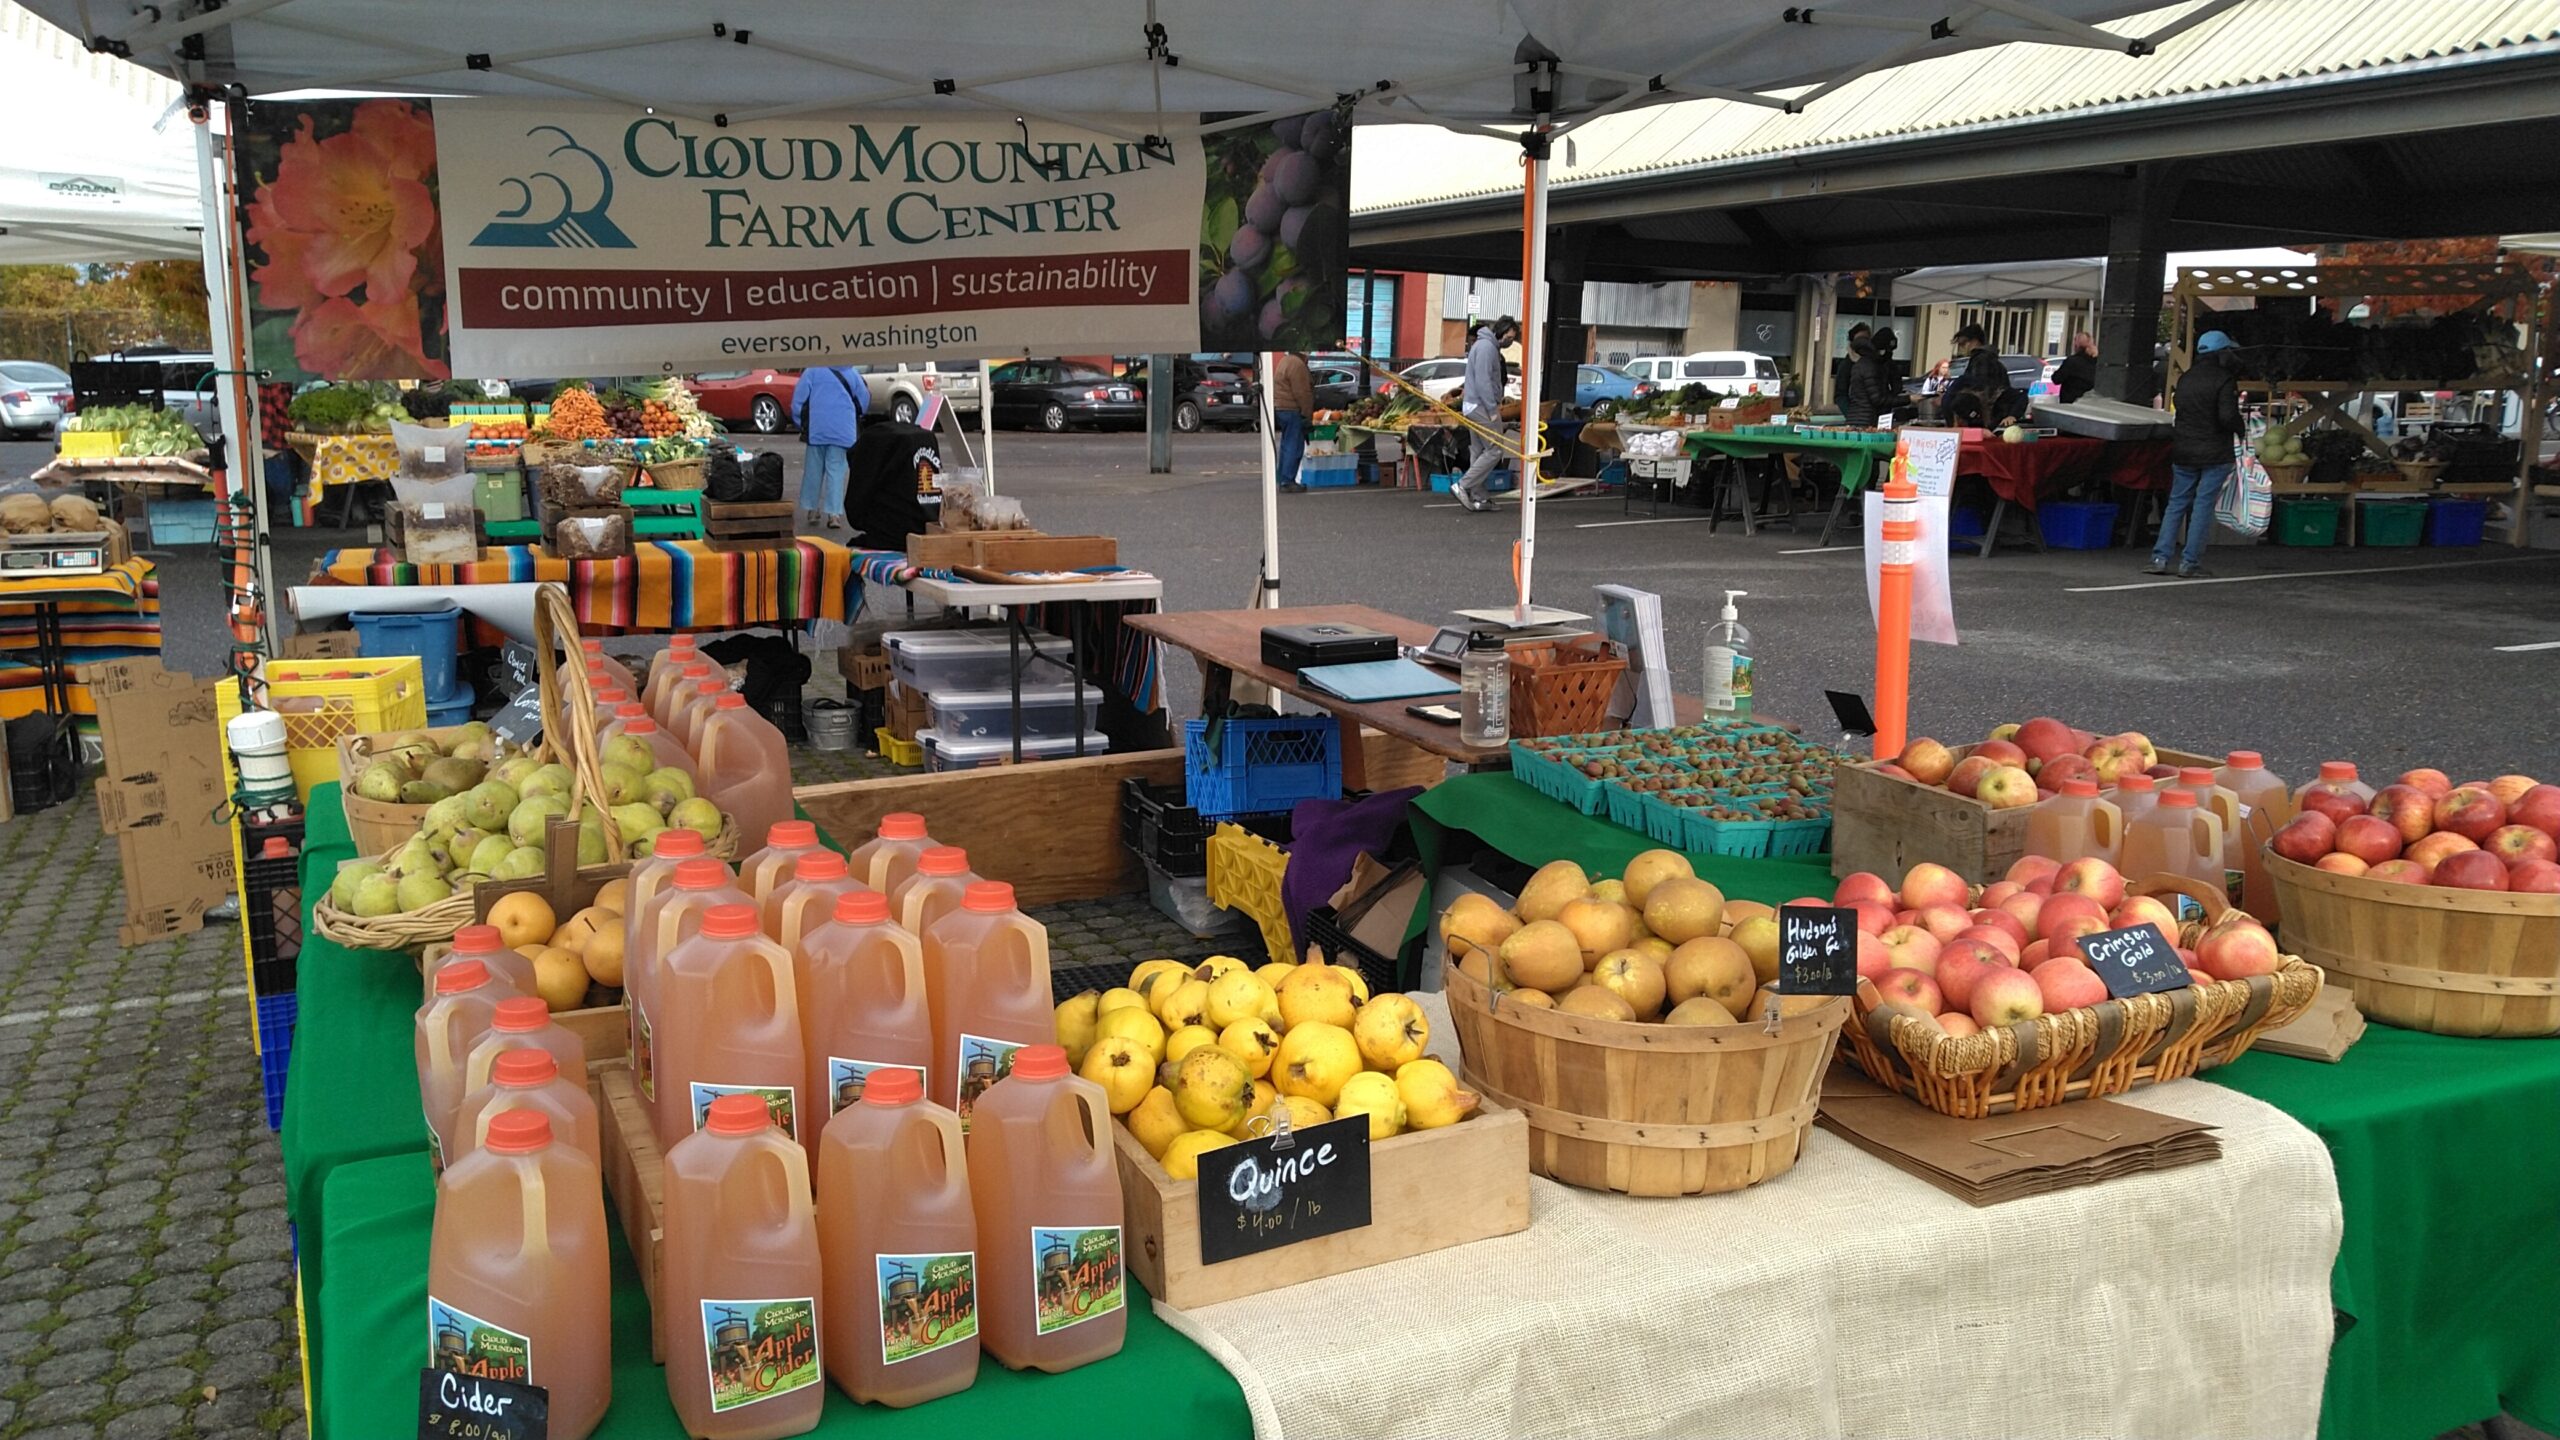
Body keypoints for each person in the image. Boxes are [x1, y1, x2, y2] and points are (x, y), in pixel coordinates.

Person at [2148, 330, 2244, 578]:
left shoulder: (2186, 378)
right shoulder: (2224, 379)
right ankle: (2189, 562)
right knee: (2202, 505)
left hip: (2183, 450)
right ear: (2222, 353)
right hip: (2214, 451)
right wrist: (2241, 428)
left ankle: (2160, 557)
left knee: (2176, 503)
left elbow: (2180, 408)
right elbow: (2226, 417)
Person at [1449, 316, 1518, 513]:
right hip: (1481, 407)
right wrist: (1492, 410)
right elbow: (1484, 382)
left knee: (1478, 451)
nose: (1510, 341)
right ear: (1502, 332)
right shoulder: (1488, 348)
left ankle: (1480, 497)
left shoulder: (1482, 345)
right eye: (1510, 337)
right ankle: (1464, 485)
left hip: (1472, 405)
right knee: (1495, 450)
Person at [789, 364, 870, 530]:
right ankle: (834, 514)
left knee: (813, 470)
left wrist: (801, 423)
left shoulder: (812, 371)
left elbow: (798, 401)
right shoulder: (851, 372)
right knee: (836, 472)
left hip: (817, 429)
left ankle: (812, 509)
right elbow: (863, 400)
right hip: (843, 431)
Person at [1949, 324, 2024, 428]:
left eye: (1963, 343)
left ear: (1974, 341)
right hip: (1994, 418)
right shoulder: (1990, 361)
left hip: (1990, 420)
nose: (1961, 348)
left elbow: (1981, 387)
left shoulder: (1981, 361)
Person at [1270, 350, 1315, 493]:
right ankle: (1288, 480)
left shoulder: (1285, 361)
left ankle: (1282, 477)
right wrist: (1307, 415)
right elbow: (1302, 393)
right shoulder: (1297, 364)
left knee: (1286, 443)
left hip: (1281, 407)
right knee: (1294, 446)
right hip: (1291, 408)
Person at [1842, 329, 1900, 428]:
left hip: (1860, 418)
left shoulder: (1864, 364)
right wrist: (1908, 399)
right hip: (1866, 420)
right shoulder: (1870, 366)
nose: (1889, 354)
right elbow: (1878, 399)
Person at [1831, 322, 1871, 408]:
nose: (1863, 343)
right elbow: (1840, 395)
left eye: (1866, 339)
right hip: (1856, 413)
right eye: (1859, 340)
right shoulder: (1847, 365)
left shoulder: (1876, 362)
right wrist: (1851, 414)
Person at [2053, 331, 2099, 404]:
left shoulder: (2072, 362)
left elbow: (2056, 379)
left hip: (2070, 402)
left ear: (2076, 345)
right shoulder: (2096, 362)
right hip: (2090, 402)